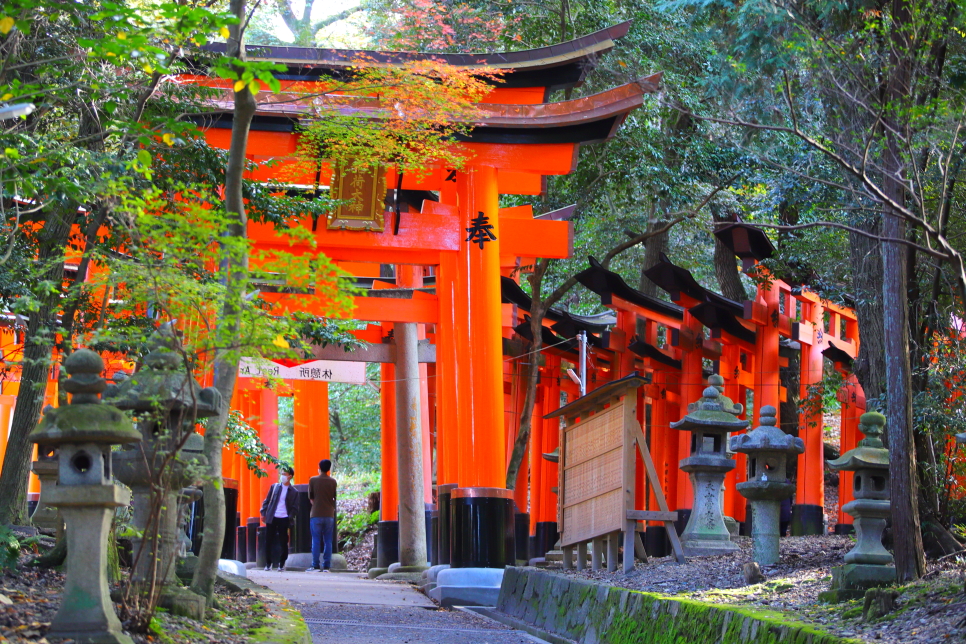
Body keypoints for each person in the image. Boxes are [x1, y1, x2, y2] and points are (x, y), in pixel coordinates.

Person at [260, 465, 298, 572]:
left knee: (283, 541)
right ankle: (268, 563)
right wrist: (263, 512)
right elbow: (267, 501)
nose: (282, 476)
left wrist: (289, 517)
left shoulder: (294, 492)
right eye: (281, 474)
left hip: (284, 518)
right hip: (272, 517)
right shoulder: (275, 487)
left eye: (285, 474)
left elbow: (295, 508)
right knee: (268, 541)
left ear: (290, 476)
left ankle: (281, 564)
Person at [307, 459, 337, 572]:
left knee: (316, 540)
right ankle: (326, 566)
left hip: (316, 513)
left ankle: (315, 565)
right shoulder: (333, 481)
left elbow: (311, 497)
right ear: (329, 468)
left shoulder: (313, 480)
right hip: (329, 514)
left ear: (319, 467)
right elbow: (334, 497)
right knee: (328, 540)